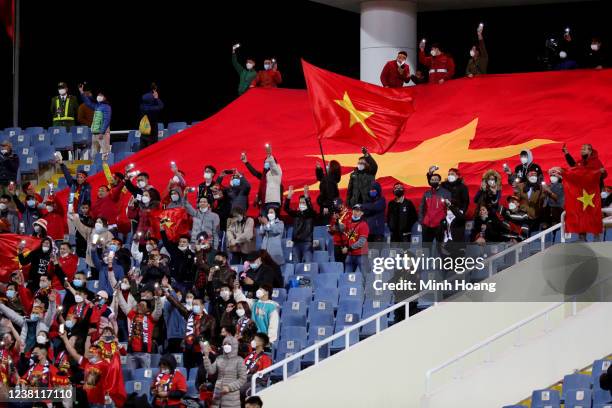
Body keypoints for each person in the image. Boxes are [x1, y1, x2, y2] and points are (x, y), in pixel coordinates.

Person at [202, 335, 247, 408]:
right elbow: (211, 371)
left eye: (229, 344)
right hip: (217, 394)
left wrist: (229, 387)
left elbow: (243, 379)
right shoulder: (219, 358)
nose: (226, 346)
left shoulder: (239, 360)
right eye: (225, 344)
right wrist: (206, 357)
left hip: (231, 397)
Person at [119, 294, 162, 369]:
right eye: (139, 304)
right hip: (131, 352)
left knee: (145, 375)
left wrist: (158, 298)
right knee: (131, 375)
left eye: (143, 305)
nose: (140, 306)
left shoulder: (150, 318)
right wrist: (118, 293)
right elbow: (123, 305)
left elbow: (158, 311)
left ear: (147, 309)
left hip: (144, 353)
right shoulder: (132, 315)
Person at [241, 144, 283, 213]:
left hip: (273, 205)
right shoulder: (264, 176)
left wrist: (270, 157)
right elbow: (255, 173)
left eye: (268, 162)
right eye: (265, 163)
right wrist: (246, 163)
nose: (266, 164)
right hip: (264, 204)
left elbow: (273, 166)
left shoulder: (276, 174)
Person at [419, 173, 451, 251]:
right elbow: (421, 208)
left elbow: (449, 209)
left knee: (440, 249)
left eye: (436, 180)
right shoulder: (426, 193)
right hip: (427, 225)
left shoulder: (446, 193)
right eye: (432, 180)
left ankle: (441, 263)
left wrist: (444, 222)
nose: (434, 181)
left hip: (439, 226)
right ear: (430, 181)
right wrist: (422, 221)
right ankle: (426, 263)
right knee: (425, 249)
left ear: (439, 181)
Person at [284, 185, 316, 263]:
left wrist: (307, 196)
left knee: (308, 265)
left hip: (307, 243)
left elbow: (311, 209)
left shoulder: (311, 214)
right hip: (296, 243)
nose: (301, 204)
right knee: (295, 264)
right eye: (300, 202)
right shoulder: (296, 214)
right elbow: (286, 209)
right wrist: (289, 197)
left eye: (303, 202)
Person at [79, 84, 112, 155]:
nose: (99, 96)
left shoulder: (107, 107)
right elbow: (88, 102)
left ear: (105, 97)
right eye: (99, 94)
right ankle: (95, 166)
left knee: (105, 154)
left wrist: (102, 132)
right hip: (94, 134)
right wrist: (81, 92)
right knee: (93, 155)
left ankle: (107, 166)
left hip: (102, 134)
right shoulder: (97, 106)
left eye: (101, 95)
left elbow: (106, 120)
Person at [241, 332, 273, 399]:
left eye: (255, 340)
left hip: (255, 381)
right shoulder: (250, 356)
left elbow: (265, 375)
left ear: (261, 343)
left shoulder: (266, 358)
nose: (253, 341)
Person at [340, 204, 369, 272]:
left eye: (358, 210)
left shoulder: (364, 225)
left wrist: (348, 248)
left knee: (364, 277)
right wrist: (337, 221)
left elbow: (361, 242)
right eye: (354, 210)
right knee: (347, 277)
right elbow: (342, 228)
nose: (355, 212)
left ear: (362, 213)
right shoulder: (349, 222)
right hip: (350, 254)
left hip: (361, 255)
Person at [139, 84, 164, 150]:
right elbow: (161, 106)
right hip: (152, 132)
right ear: (154, 89)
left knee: (142, 150)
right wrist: (157, 98)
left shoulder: (142, 105)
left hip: (144, 130)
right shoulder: (152, 107)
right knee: (152, 151)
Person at [328, 198, 351, 264]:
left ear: (342, 204)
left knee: (347, 264)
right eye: (335, 207)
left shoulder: (349, 213)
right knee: (338, 264)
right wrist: (331, 229)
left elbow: (347, 228)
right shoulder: (335, 215)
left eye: (338, 206)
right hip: (336, 244)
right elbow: (331, 230)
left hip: (346, 243)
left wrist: (339, 226)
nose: (337, 208)